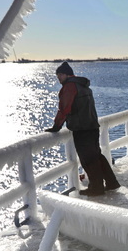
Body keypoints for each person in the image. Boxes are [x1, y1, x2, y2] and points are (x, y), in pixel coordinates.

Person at [45, 62, 120, 196]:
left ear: (68, 74)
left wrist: (56, 127)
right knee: (97, 156)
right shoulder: (83, 86)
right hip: (92, 126)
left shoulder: (69, 87)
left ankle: (96, 188)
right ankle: (111, 182)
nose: (59, 78)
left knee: (88, 159)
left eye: (61, 74)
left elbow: (64, 109)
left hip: (82, 128)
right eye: (57, 75)